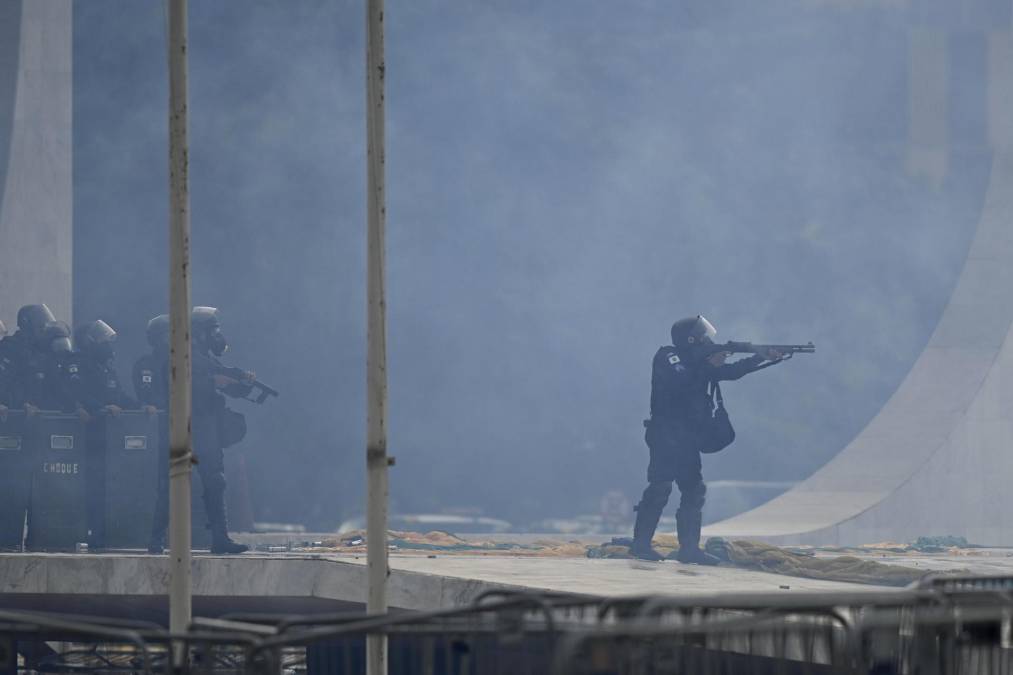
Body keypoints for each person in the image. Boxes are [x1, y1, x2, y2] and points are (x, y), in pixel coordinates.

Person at [631, 315, 784, 564]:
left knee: (694, 490)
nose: (708, 341)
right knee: (660, 487)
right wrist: (709, 363)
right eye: (702, 337)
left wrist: (760, 356)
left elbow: (731, 372)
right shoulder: (668, 356)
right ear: (690, 339)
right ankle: (640, 545)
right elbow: (682, 380)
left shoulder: (699, 364)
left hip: (687, 438)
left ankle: (689, 549)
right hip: (665, 435)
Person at [150, 307, 253, 555]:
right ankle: (156, 540)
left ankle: (220, 539)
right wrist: (213, 382)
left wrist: (243, 383)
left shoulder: (206, 359)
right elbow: (179, 385)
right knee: (171, 484)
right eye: (212, 330)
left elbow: (230, 387)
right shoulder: (179, 356)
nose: (217, 336)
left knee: (215, 482)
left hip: (206, 429)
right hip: (181, 428)